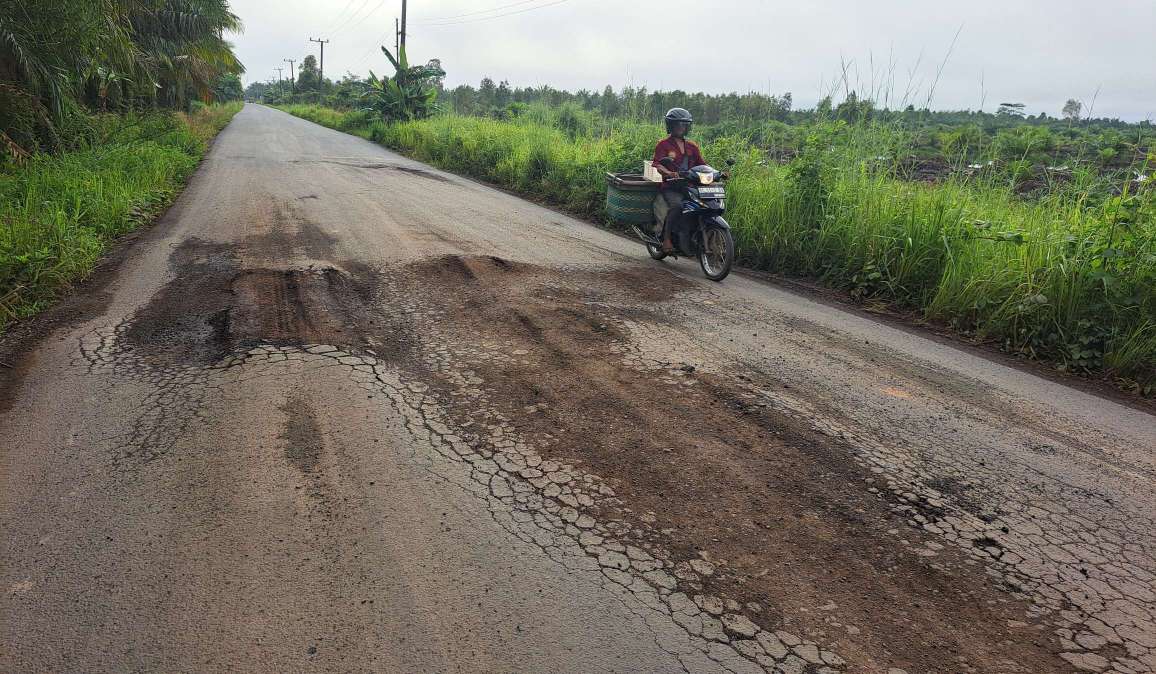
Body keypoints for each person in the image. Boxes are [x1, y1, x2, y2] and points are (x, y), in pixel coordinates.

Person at [652, 107, 706, 252]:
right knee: (677, 206)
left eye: (684, 124)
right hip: (671, 187)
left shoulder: (692, 146)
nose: (681, 127)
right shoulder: (663, 145)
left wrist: (717, 174)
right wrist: (669, 172)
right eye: (677, 124)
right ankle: (666, 239)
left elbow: (702, 165)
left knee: (705, 205)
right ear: (670, 125)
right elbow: (657, 164)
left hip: (690, 186)